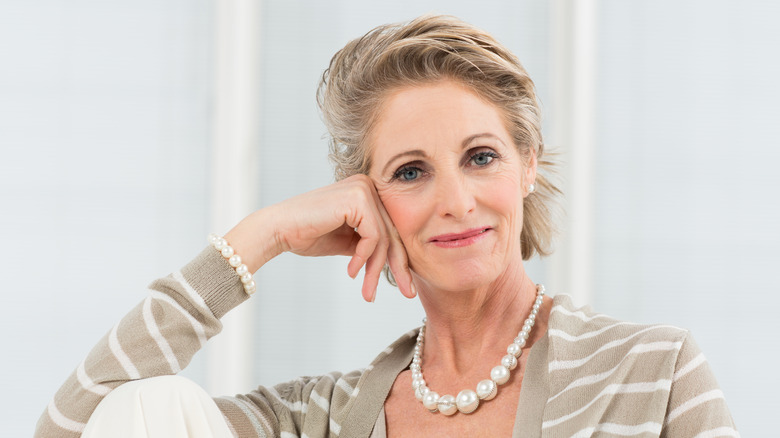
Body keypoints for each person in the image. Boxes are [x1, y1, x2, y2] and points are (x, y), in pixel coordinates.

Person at [35, 15, 737, 437]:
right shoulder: (323, 418)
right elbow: (79, 428)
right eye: (410, 172)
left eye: (481, 157)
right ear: (363, 201)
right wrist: (263, 236)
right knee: (155, 402)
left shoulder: (651, 372)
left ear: (528, 164)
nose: (456, 201)